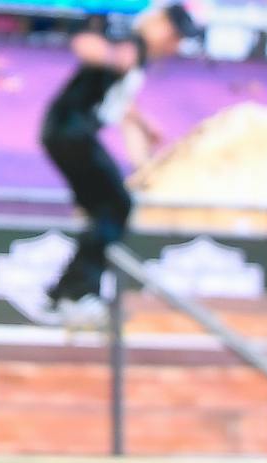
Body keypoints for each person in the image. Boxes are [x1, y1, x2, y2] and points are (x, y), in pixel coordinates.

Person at [39, 3, 198, 327]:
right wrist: (113, 57)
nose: (175, 47)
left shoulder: (139, 55)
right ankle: (79, 294)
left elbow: (119, 98)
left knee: (103, 212)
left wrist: (144, 123)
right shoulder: (132, 42)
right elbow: (85, 44)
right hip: (70, 131)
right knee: (118, 204)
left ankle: (63, 294)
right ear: (162, 27)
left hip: (67, 133)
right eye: (175, 38)